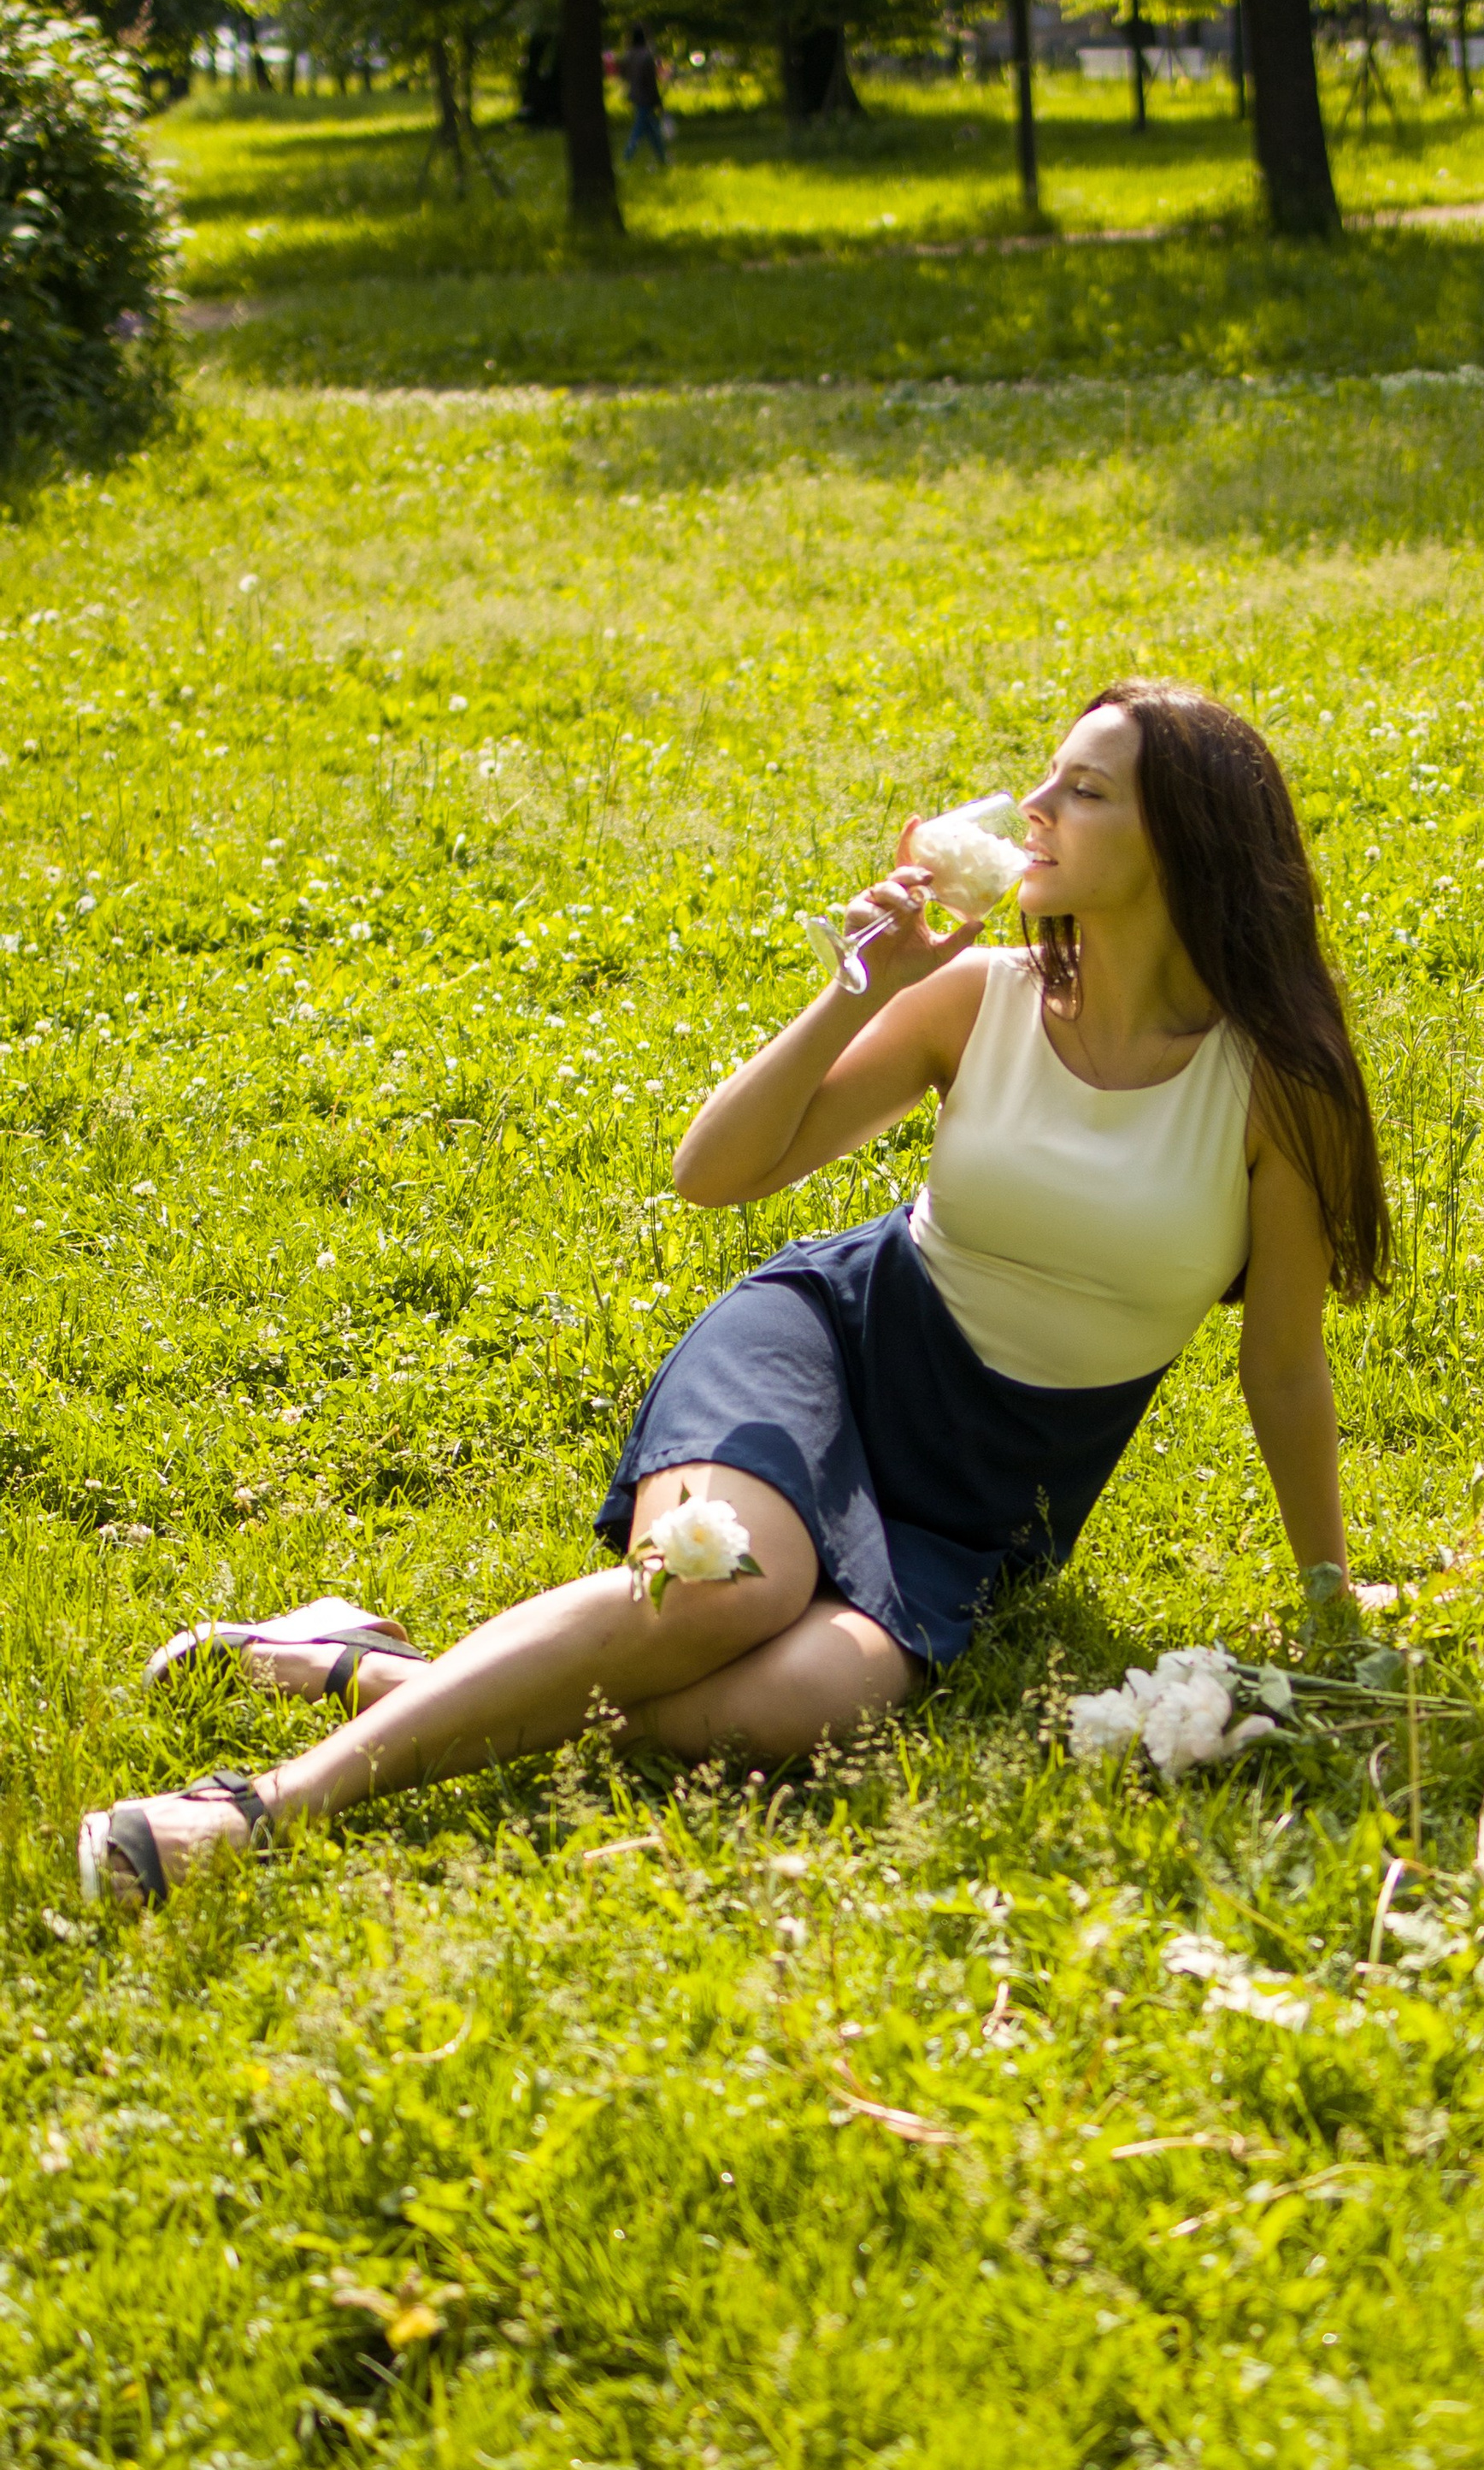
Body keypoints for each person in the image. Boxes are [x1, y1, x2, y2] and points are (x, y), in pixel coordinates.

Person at [78, 681, 1392, 1907]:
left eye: (1087, 790)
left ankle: (356, 1666)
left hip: (993, 1486)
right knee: (719, 1592)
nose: (1034, 809)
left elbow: (1279, 1362)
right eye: (1045, 777)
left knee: (797, 1709)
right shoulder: (978, 1002)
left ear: (1189, 840)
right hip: (834, 1345)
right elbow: (716, 1175)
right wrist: (854, 994)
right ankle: (262, 1808)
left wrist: (1327, 1595)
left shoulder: (1279, 1088)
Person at [615, 23, 669, 166]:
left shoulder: (629, 55)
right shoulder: (646, 56)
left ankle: (662, 158)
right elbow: (651, 82)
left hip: (634, 95)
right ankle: (627, 155)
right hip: (646, 97)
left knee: (651, 130)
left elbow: (623, 74)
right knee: (639, 129)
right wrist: (658, 101)